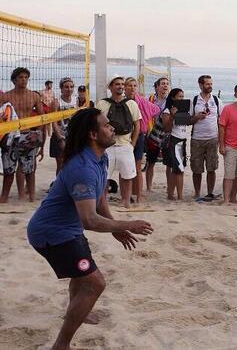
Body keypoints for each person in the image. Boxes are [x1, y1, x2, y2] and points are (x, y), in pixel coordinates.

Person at [27, 108, 153, 350]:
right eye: (107, 126)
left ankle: (76, 312)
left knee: (81, 276)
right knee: (95, 283)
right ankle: (61, 344)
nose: (112, 128)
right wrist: (127, 224)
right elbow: (89, 220)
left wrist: (114, 226)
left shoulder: (100, 157)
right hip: (52, 234)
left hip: (69, 230)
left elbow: (101, 198)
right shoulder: (81, 168)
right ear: (93, 135)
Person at [0, 67, 45, 203]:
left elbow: (42, 118)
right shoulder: (6, 96)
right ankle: (4, 198)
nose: (24, 80)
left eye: (26, 77)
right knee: (9, 170)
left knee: (29, 169)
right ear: (14, 80)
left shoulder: (34, 96)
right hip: (10, 136)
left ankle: (31, 198)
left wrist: (38, 136)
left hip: (27, 135)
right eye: (21, 77)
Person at [96, 75, 141, 208]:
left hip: (125, 145)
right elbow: (97, 124)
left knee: (127, 175)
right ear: (110, 87)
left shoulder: (131, 103)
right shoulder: (102, 104)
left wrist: (132, 144)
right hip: (107, 146)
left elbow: (137, 125)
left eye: (122, 84)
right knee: (104, 176)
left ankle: (126, 201)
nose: (120, 86)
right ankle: (102, 201)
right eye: (117, 84)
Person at [124, 77, 160, 203]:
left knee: (137, 165)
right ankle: (128, 194)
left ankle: (138, 195)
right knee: (126, 166)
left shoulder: (141, 101)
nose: (133, 88)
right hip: (125, 136)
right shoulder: (122, 101)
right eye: (130, 85)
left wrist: (146, 117)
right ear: (125, 87)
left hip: (139, 134)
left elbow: (156, 109)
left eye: (134, 85)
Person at [190, 75, 223, 202]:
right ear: (200, 85)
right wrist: (197, 117)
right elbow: (188, 120)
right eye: (207, 84)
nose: (210, 86)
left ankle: (210, 192)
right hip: (197, 139)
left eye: (211, 84)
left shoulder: (216, 100)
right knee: (196, 169)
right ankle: (197, 193)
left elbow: (221, 121)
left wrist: (221, 140)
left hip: (213, 139)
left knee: (212, 168)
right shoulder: (194, 101)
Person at [160, 88, 189, 201]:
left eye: (183, 96)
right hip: (173, 140)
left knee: (175, 169)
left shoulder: (183, 110)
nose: (182, 98)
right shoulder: (167, 111)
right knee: (178, 169)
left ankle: (171, 195)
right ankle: (180, 196)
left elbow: (186, 123)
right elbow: (167, 128)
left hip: (182, 139)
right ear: (173, 98)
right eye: (179, 96)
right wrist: (172, 115)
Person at [145, 77, 170, 191]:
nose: (165, 86)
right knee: (151, 162)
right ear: (157, 86)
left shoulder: (170, 100)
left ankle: (170, 186)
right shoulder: (150, 99)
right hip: (152, 134)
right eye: (163, 84)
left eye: (167, 84)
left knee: (169, 163)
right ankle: (149, 187)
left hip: (165, 135)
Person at [50, 77, 77, 175]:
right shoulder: (56, 102)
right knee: (61, 164)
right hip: (59, 135)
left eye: (71, 87)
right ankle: (59, 186)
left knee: (73, 162)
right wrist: (60, 139)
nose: (69, 89)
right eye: (66, 87)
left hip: (71, 135)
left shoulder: (75, 100)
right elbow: (53, 122)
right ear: (61, 88)